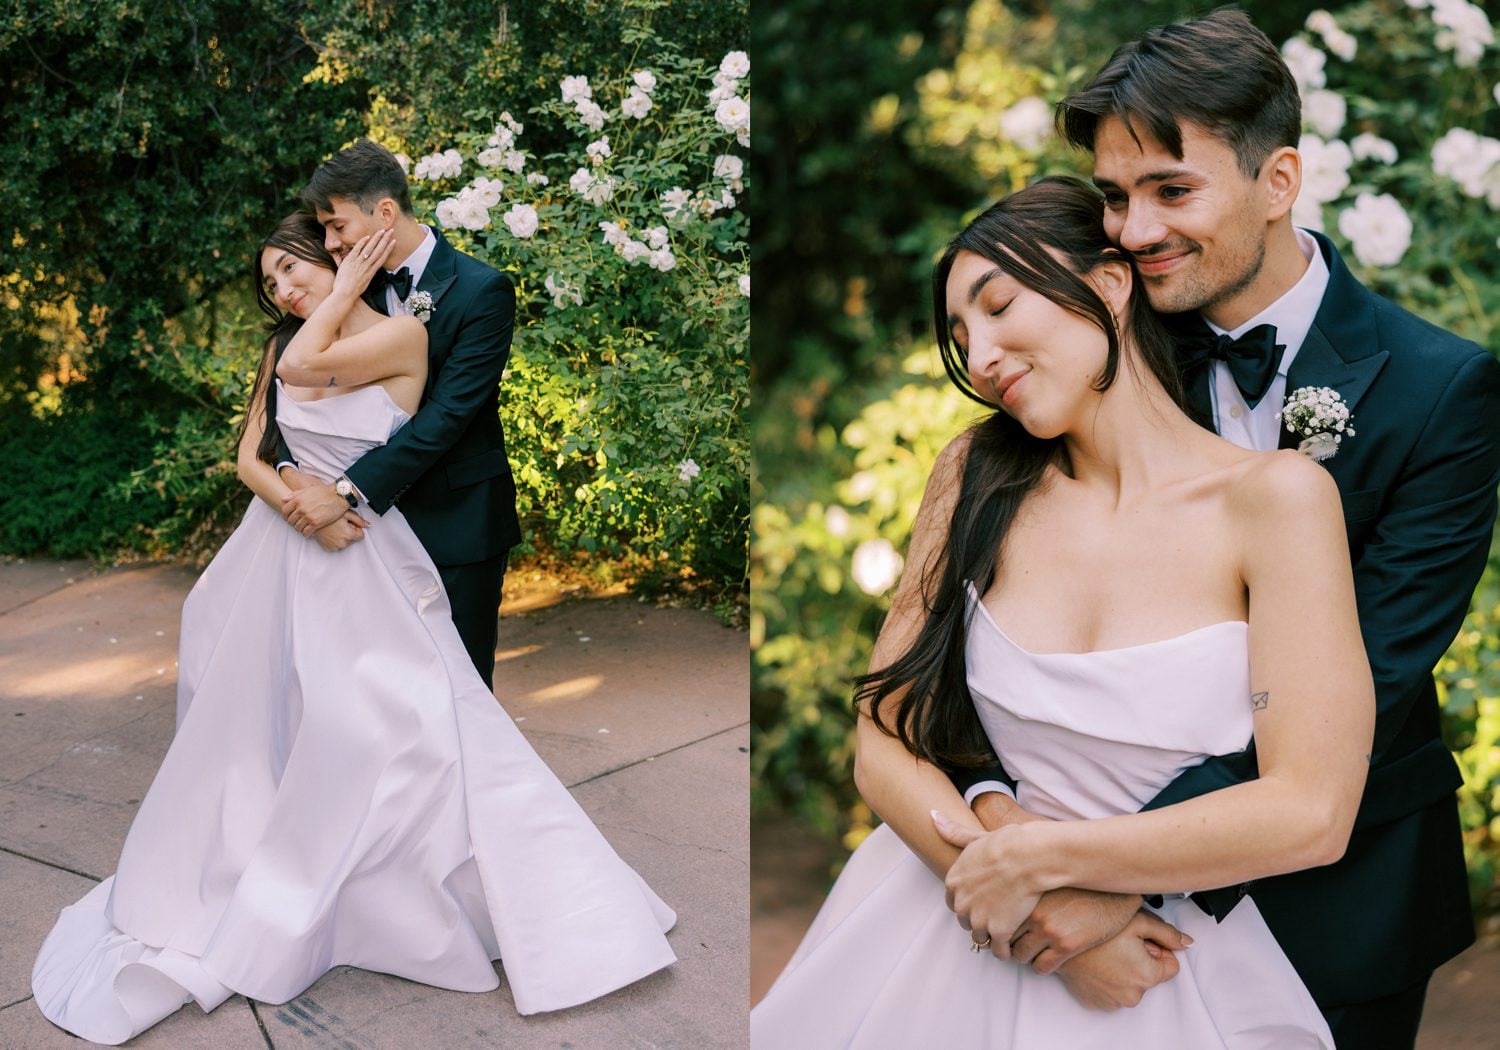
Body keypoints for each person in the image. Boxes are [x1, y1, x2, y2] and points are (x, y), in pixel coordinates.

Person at [951, 12, 1500, 1046]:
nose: (1134, 230)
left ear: (1278, 182)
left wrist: (1105, 868)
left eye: (1171, 189)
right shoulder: (1104, 338)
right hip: (1086, 896)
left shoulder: (1440, 392)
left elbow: (1372, 675)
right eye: (1114, 197)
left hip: (1343, 894)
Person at [751, 175, 1371, 1048]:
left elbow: (1311, 810)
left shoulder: (1275, 501)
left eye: (1000, 306)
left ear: (1110, 285)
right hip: (937, 914)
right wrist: (1026, 914)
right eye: (961, 336)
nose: (980, 353)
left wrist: (1045, 870)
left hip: (1163, 960)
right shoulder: (975, 473)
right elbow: (881, 735)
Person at [30, 213, 676, 1046]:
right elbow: (251, 455)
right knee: (260, 725)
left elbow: (369, 418)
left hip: (366, 552)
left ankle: (396, 895)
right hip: (283, 548)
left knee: (392, 722)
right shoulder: (281, 347)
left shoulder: (403, 336)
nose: (283, 291)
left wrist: (339, 489)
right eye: (270, 285)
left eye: (290, 271)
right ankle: (270, 870)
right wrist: (300, 502)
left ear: (336, 258)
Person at [278, 138, 518, 688]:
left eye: (337, 226)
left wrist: (342, 492)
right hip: (370, 533)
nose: (330, 242)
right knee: (379, 696)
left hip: (456, 525)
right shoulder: (339, 289)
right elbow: (299, 400)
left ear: (385, 211)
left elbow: (447, 418)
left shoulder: (483, 292)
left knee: (458, 692)